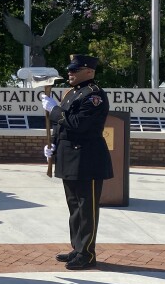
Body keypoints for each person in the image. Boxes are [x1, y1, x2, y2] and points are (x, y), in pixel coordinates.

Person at [40, 54, 113, 271]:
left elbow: (78, 124)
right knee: (74, 208)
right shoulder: (71, 93)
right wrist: (53, 145)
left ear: (89, 71)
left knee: (86, 209)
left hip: (87, 159)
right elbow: (63, 127)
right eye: (70, 69)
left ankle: (87, 253)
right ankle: (78, 248)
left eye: (75, 70)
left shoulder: (94, 96)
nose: (70, 73)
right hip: (69, 157)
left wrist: (54, 110)